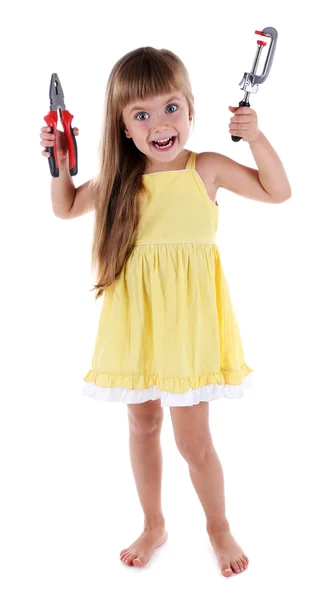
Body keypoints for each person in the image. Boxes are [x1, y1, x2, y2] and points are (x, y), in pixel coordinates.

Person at [40, 46, 291, 577]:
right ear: (124, 127)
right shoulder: (118, 179)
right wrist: (59, 160)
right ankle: (154, 523)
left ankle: (217, 527)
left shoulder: (209, 169)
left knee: (193, 439)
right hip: (136, 323)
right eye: (141, 114)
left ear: (192, 108)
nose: (159, 124)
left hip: (189, 326)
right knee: (143, 421)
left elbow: (278, 191)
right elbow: (63, 208)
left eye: (171, 107)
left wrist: (255, 136)